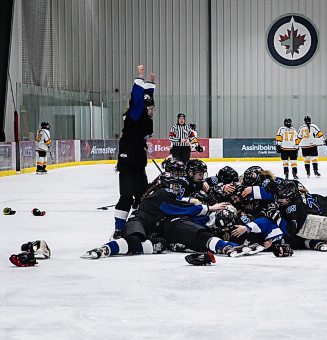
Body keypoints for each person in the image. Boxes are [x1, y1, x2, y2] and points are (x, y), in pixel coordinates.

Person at [81, 176, 242, 260]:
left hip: (157, 230)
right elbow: (177, 207)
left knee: (161, 244)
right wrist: (208, 208)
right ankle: (105, 249)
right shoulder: (163, 195)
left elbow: (180, 202)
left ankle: (224, 246)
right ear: (165, 185)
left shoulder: (164, 195)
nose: (177, 189)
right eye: (174, 186)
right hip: (139, 222)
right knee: (135, 239)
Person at [114, 64, 156, 239]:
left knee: (141, 197)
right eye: (151, 108)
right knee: (126, 197)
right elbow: (138, 99)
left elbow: (147, 99)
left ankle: (136, 226)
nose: (152, 110)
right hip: (128, 163)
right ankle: (119, 229)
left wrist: (151, 84)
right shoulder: (135, 114)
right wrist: (139, 77)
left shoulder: (144, 116)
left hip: (138, 163)